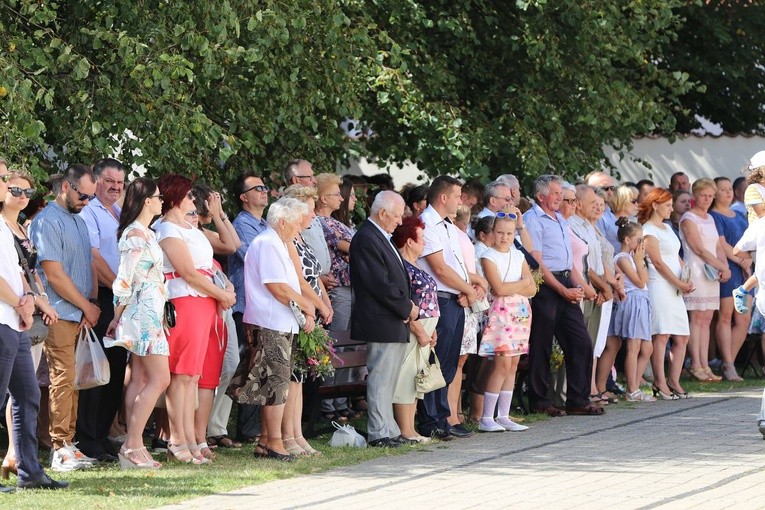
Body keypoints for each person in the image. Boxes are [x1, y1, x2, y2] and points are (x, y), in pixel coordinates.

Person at [155, 174, 235, 464]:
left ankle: (190, 437)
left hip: (203, 302)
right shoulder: (166, 229)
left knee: (193, 376)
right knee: (182, 374)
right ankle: (177, 439)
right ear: (174, 197)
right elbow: (187, 272)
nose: (193, 200)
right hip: (185, 301)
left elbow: (210, 264)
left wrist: (223, 289)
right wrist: (221, 294)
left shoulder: (187, 227)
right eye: (188, 195)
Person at [231, 197, 317, 460]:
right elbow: (277, 287)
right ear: (282, 222)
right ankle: (274, 443)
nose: (299, 229)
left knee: (277, 384)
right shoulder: (268, 243)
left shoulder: (277, 242)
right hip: (270, 322)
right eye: (295, 224)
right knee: (275, 386)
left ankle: (266, 441)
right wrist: (308, 305)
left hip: (279, 322)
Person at [0, 161, 68, 491]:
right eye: (14, 188)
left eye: (28, 191)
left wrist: (34, 299)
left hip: (18, 320)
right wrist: (24, 302)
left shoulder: (16, 227)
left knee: (28, 397)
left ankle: (28, 472)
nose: (23, 195)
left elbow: (25, 272)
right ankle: (12, 468)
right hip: (6, 316)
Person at [29, 164, 101, 472]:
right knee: (61, 380)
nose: (87, 202)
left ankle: (69, 444)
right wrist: (86, 305)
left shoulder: (80, 222)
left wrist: (92, 303)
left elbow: (88, 265)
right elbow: (54, 275)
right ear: (66, 188)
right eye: (83, 195)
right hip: (57, 312)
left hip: (80, 312)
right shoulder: (46, 221)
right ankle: (58, 447)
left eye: (91, 198)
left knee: (72, 381)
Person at [522, 175, 602, 416]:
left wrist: (578, 285)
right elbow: (537, 261)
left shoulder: (560, 219)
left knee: (581, 341)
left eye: (560, 194)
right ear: (541, 196)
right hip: (546, 284)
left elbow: (569, 261)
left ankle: (578, 399)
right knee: (542, 344)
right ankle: (540, 400)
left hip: (565, 278)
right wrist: (561, 288)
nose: (560, 197)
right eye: (555, 193)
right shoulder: (533, 219)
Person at [105, 178, 169, 469]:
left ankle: (134, 445)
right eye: (158, 197)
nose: (162, 201)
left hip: (151, 310)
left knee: (142, 378)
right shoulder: (134, 235)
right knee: (160, 379)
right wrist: (117, 316)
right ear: (146, 201)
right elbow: (124, 280)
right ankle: (133, 444)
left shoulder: (147, 233)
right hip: (142, 314)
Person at [417, 176, 488, 439]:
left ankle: (442, 417)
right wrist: (469, 290)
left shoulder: (447, 226)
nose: (461, 200)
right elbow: (439, 268)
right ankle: (429, 421)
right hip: (440, 300)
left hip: (455, 299)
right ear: (444, 197)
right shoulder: (428, 224)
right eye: (457, 195)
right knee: (436, 362)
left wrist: (474, 285)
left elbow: (457, 266)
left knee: (447, 365)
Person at [349, 191, 416, 447]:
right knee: (380, 377)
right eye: (397, 216)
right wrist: (406, 307)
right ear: (383, 213)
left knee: (389, 378)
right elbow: (379, 283)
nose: (400, 222)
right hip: (381, 317)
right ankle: (379, 431)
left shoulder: (380, 236)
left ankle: (389, 428)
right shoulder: (367, 237)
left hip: (391, 317)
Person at [76, 157, 126, 463]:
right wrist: (121, 288)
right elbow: (93, 256)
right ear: (96, 181)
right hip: (105, 296)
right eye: (110, 181)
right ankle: (87, 439)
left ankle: (102, 433)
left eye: (120, 183)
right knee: (96, 371)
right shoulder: (89, 212)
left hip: (121, 300)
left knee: (116, 371)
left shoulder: (119, 212)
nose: (115, 188)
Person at [282, 184, 333, 456]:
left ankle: (298, 434)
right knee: (293, 375)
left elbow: (314, 275)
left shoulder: (301, 237)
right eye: (310, 210)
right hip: (299, 310)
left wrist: (324, 301)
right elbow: (299, 281)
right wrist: (315, 305)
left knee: (301, 376)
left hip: (312, 307)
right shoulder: (287, 240)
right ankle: (288, 435)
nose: (314, 216)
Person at [477, 212, 535, 432]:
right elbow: (498, 288)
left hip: (520, 313)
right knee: (501, 364)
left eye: (509, 233)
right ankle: (486, 417)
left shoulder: (518, 256)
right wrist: (520, 283)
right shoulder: (489, 256)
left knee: (512, 365)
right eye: (500, 232)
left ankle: (503, 415)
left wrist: (518, 284)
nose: (504, 237)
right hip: (501, 315)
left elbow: (532, 287)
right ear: (493, 232)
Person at [228, 171, 270, 444]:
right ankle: (247, 429)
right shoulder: (242, 224)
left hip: (263, 305)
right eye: (257, 188)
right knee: (250, 365)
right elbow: (256, 259)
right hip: (247, 305)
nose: (264, 191)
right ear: (244, 197)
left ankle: (256, 427)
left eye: (265, 187)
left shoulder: (265, 223)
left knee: (260, 365)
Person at [640, 188, 692, 399]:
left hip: (676, 286)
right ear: (655, 205)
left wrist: (686, 278)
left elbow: (675, 256)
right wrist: (678, 282)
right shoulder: (648, 230)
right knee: (662, 334)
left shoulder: (668, 228)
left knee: (682, 335)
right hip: (660, 285)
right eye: (668, 205)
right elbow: (658, 263)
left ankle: (674, 379)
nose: (671, 209)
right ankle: (660, 381)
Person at [390, 215, 438, 443]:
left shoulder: (416, 264)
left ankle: (412, 429)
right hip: (414, 328)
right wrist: (420, 330)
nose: (425, 243)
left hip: (427, 327)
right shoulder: (403, 266)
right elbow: (406, 300)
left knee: (417, 379)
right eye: (421, 239)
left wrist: (432, 330)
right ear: (409, 241)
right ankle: (405, 430)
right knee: (406, 378)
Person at [679, 179, 730, 382]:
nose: (707, 199)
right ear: (695, 196)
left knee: (707, 318)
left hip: (712, 270)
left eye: (710, 196)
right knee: (697, 318)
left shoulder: (709, 218)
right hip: (698, 269)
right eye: (703, 195)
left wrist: (723, 266)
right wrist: (721, 266)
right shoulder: (688, 218)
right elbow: (699, 248)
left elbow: (717, 246)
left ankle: (705, 364)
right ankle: (696, 363)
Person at [604, 219, 657, 401]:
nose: (641, 244)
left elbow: (646, 281)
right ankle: (632, 389)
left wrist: (640, 261)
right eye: (638, 239)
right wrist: (639, 260)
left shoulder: (635, 258)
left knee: (647, 347)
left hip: (642, 300)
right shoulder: (623, 258)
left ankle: (634, 384)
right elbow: (640, 282)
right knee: (633, 346)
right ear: (627, 240)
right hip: (633, 301)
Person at [709, 177, 750, 381]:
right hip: (729, 267)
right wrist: (739, 260)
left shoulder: (740, 216)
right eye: (722, 189)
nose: (727, 193)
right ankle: (727, 363)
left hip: (744, 270)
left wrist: (748, 261)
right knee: (725, 316)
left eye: (729, 189)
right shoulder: (714, 216)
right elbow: (721, 244)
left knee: (743, 318)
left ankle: (729, 362)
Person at [586, 171, 619, 252]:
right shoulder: (594, 215)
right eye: (605, 188)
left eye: (612, 188)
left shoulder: (609, 213)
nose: (610, 192)